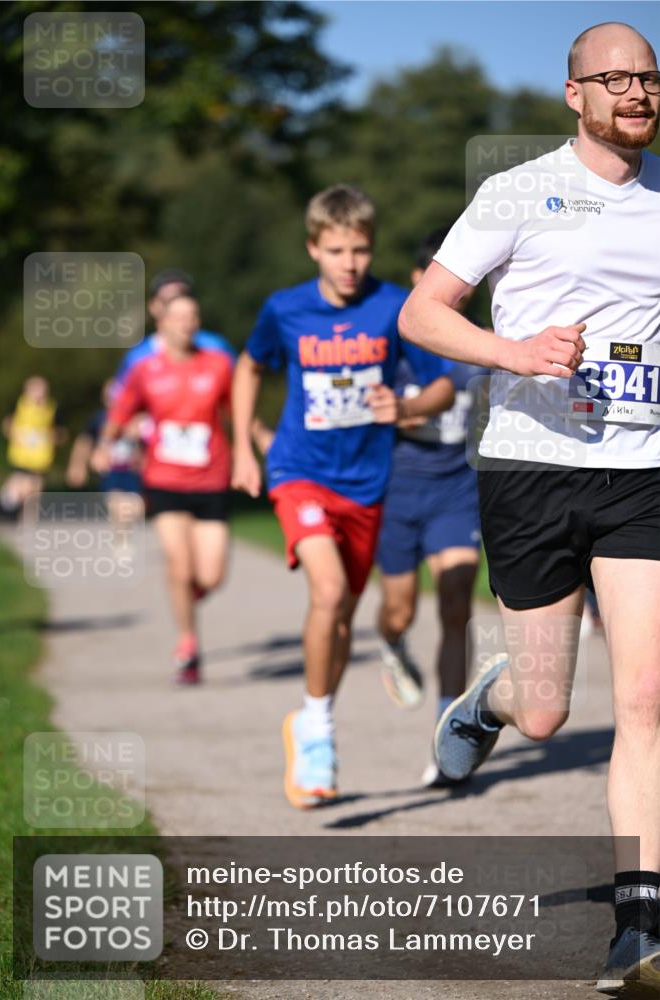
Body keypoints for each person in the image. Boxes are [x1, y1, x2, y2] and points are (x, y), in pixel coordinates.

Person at [399, 22, 659, 995]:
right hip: (529, 467)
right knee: (546, 711)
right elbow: (422, 311)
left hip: (644, 469)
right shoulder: (517, 191)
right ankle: (488, 697)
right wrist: (515, 354)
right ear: (572, 93)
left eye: (648, 77)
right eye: (615, 78)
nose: (635, 92)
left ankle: (640, 924)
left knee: (643, 699)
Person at [232, 184, 455, 809]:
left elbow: (441, 387)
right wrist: (243, 448)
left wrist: (405, 406)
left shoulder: (395, 307)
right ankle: (320, 733)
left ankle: (309, 719)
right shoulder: (285, 309)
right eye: (336, 250)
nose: (350, 263)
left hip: (367, 485)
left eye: (360, 250)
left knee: (340, 617)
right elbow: (249, 367)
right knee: (326, 593)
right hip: (300, 471)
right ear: (313, 248)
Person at [375, 230, 486, 789]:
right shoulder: (390, 342)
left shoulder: (482, 348)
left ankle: (450, 732)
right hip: (397, 492)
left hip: (455, 491)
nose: (459, 294)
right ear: (421, 282)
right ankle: (392, 644)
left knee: (454, 605)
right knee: (399, 611)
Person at [92, 294, 234, 685]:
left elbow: (238, 410)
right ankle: (188, 643)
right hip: (165, 479)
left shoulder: (219, 364)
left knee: (211, 575)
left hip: (212, 479)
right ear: (162, 322)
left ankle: (191, 595)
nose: (187, 323)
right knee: (179, 563)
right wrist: (105, 444)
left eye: (193, 316)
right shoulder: (145, 369)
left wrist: (258, 441)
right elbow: (121, 412)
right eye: (179, 317)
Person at [115, 269, 236, 387]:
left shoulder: (216, 348)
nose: (176, 306)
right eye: (167, 300)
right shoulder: (137, 357)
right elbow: (121, 401)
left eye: (183, 297)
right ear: (152, 306)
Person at [66, 378, 144, 552]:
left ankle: (124, 534)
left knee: (136, 508)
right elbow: (84, 442)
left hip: (132, 471)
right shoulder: (99, 418)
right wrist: (77, 466)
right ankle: (120, 541)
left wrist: (138, 437)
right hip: (110, 471)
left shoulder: (137, 418)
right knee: (116, 505)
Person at [0, 376, 67, 517]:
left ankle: (28, 524)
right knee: (21, 490)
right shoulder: (19, 405)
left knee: (35, 491)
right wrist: (17, 434)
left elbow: (62, 434)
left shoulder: (52, 408)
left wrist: (49, 436)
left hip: (41, 458)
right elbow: (6, 425)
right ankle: (10, 504)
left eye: (42, 389)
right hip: (21, 456)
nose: (39, 393)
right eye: (35, 389)